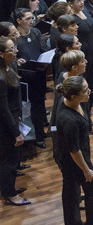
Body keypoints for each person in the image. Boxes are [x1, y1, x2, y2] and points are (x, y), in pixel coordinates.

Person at [54, 76, 93, 225]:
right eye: (85, 91)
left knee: (71, 188)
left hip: (74, 155)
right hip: (75, 160)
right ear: (73, 96)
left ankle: (72, 222)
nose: (89, 92)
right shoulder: (69, 120)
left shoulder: (74, 102)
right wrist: (86, 170)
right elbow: (74, 150)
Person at [13, 8, 50, 148]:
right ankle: (28, 138)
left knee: (39, 106)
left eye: (32, 18)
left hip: (38, 74)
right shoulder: (14, 37)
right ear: (18, 21)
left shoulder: (35, 32)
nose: (31, 21)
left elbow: (43, 50)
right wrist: (16, 61)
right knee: (26, 109)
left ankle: (40, 135)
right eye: (27, 18)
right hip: (23, 78)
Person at [0, 36, 29, 205]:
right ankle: (10, 194)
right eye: (11, 49)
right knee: (9, 160)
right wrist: (16, 132)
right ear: (1, 54)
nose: (15, 51)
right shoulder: (1, 78)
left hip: (12, 117)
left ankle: (8, 187)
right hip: (6, 126)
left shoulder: (8, 68)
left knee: (10, 158)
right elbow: (2, 109)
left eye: (14, 47)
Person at [66, 0, 93, 119]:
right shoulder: (71, 18)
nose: (81, 3)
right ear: (70, 4)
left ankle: (88, 113)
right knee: (82, 87)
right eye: (78, 1)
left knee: (91, 85)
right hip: (81, 58)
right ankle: (82, 115)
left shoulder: (85, 12)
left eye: (82, 0)